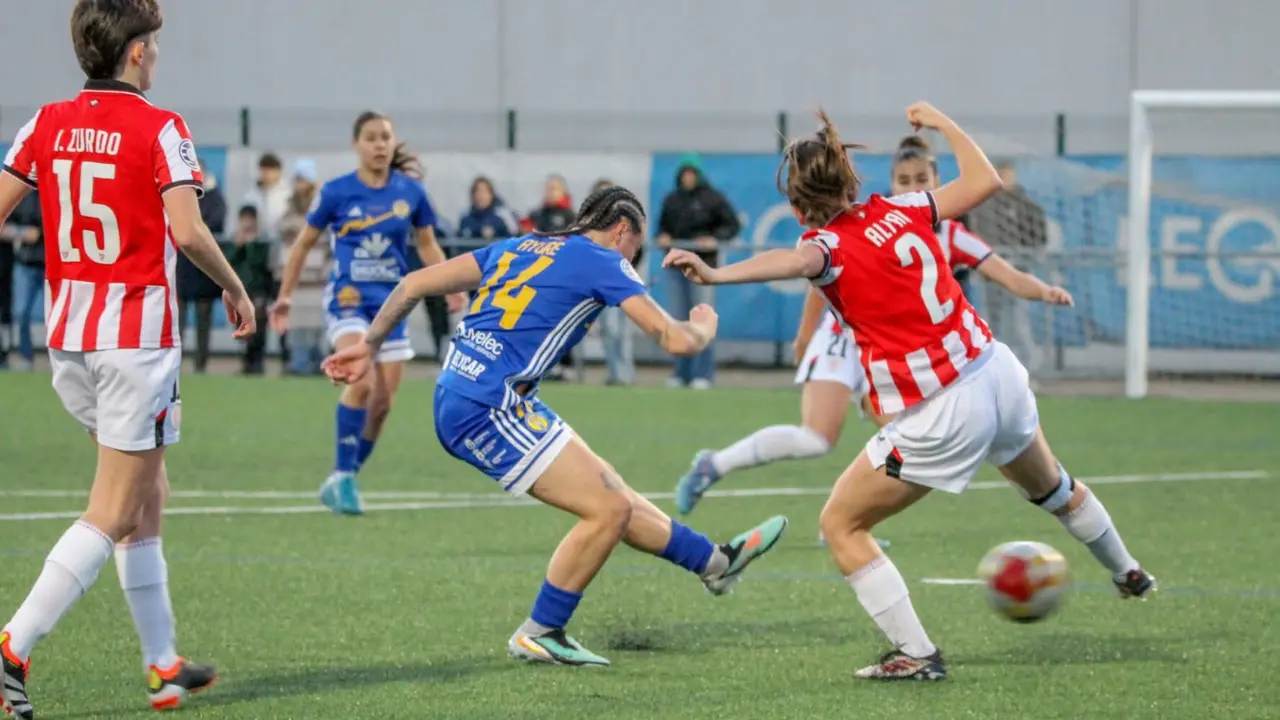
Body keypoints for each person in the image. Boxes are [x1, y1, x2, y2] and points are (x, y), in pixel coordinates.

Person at [662, 103, 1154, 681]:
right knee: (1055, 488)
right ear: (855, 181)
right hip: (997, 371)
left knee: (840, 526)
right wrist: (943, 123)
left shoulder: (828, 248)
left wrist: (718, 274)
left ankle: (917, 655)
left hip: (944, 407)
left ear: (797, 208)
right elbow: (985, 181)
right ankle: (1127, 571)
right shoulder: (904, 208)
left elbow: (794, 259)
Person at [322, 186, 789, 667]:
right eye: (636, 248)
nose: (635, 261)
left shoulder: (519, 245)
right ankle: (541, 630)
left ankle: (715, 562)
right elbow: (677, 340)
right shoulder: (603, 261)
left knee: (612, 491)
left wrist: (370, 344)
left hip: (472, 391)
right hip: (488, 405)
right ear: (621, 230)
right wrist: (706, 324)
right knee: (607, 507)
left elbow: (415, 282)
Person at [0, 1, 256, 716]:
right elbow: (189, 231)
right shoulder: (161, 127)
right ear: (138, 52)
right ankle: (11, 647)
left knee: (148, 496)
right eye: (155, 43)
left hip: (69, 337)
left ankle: (161, 664)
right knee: (113, 508)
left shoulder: (43, 122)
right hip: (134, 341)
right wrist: (236, 288)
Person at [675, 134, 1075, 519]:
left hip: (906, 356)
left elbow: (1005, 273)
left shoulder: (947, 232)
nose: (911, 186)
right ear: (892, 181)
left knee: (906, 441)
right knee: (817, 437)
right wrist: (805, 333)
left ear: (937, 181)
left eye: (921, 180)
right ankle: (720, 467)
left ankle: (853, 525)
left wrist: (1043, 291)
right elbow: (820, 276)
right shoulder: (875, 222)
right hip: (844, 339)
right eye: (904, 180)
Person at [271, 111, 465, 515]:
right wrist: (285, 296)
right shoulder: (337, 192)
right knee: (361, 377)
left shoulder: (411, 192)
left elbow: (427, 245)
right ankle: (342, 477)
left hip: (393, 304)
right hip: (349, 300)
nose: (379, 144)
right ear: (356, 144)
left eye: (385, 138)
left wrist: (451, 288)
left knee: (382, 404)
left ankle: (346, 476)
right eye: (371, 138)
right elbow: (304, 244)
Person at [656, 156, 740, 389]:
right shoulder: (672, 200)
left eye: (692, 173)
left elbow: (731, 225)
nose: (688, 178)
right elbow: (662, 227)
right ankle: (681, 373)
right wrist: (663, 237)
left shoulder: (712, 198)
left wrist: (714, 239)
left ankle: (703, 373)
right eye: (685, 174)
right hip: (676, 268)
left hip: (703, 268)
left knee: (702, 319)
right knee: (678, 320)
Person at [4, 191, 43, 371]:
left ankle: (62, 358)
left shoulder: (57, 192)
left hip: (52, 265)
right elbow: (5, 226)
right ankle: (26, 356)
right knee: (21, 312)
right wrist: (22, 233)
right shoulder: (21, 195)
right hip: (26, 263)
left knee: (58, 315)